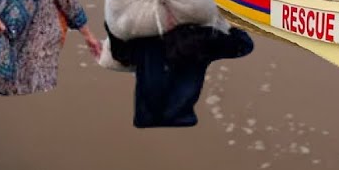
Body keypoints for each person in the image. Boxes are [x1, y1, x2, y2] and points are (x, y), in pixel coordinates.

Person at [106, 21, 254, 128]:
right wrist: (227, 23)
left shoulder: (143, 41)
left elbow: (120, 55)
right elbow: (244, 45)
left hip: (147, 118)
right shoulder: (205, 38)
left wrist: (112, 27)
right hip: (184, 118)